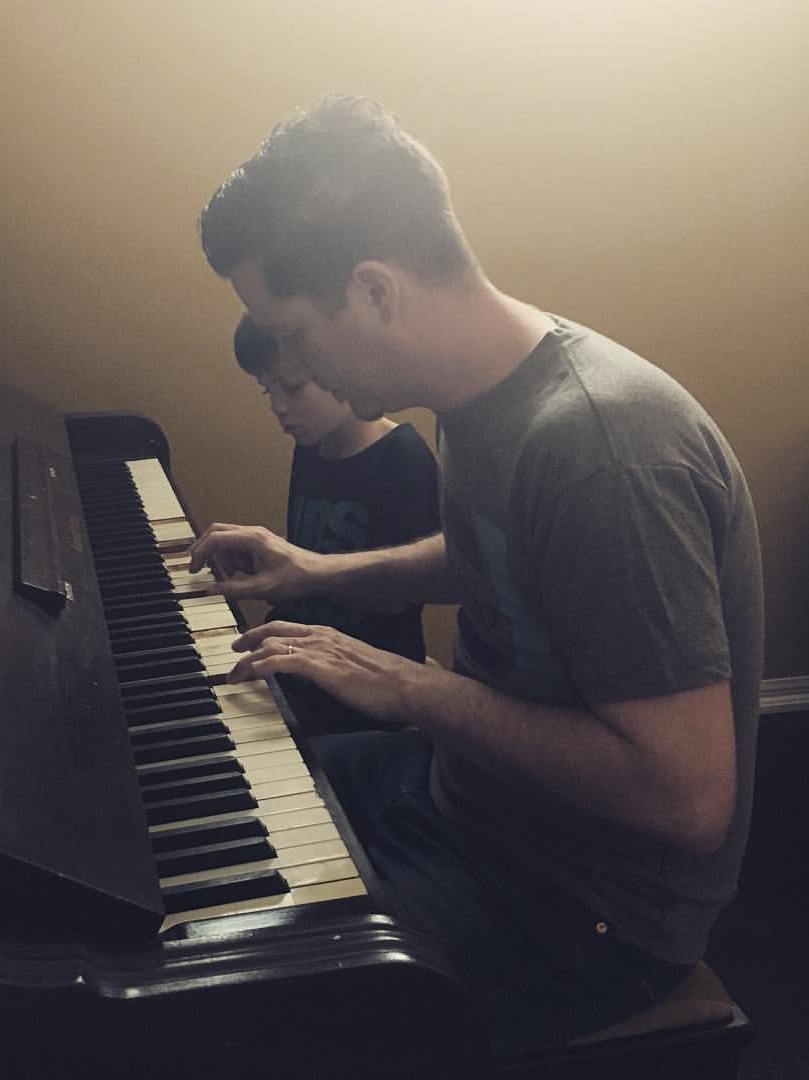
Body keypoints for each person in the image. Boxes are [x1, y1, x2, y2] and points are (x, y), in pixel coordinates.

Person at [188, 94, 764, 1056]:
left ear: (374, 291)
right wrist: (316, 571)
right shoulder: (480, 393)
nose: (289, 363)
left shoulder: (603, 453)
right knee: (219, 816)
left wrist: (410, 688)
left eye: (291, 333)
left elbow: (687, 799)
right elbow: (495, 554)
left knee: (245, 1016)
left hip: (585, 912)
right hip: (468, 801)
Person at [231, 313, 440, 732]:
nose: (278, 406)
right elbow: (314, 555)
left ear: (338, 365)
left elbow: (397, 596)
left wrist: (300, 578)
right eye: (268, 390)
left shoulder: (402, 458)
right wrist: (262, 564)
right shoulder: (312, 446)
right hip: (300, 661)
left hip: (362, 688)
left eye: (292, 387)